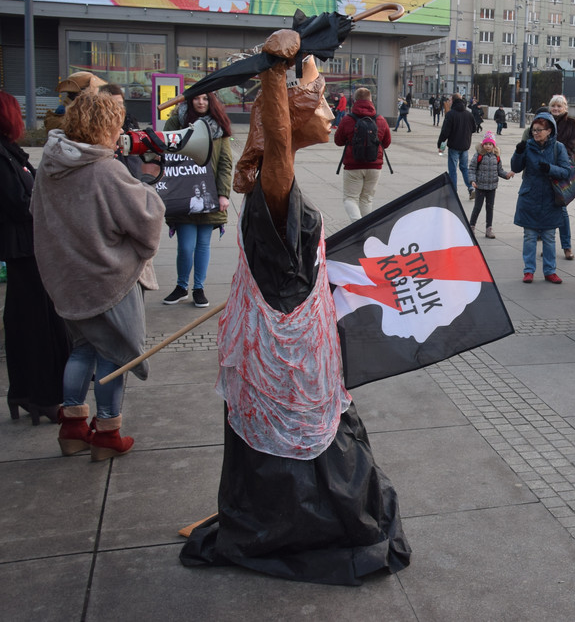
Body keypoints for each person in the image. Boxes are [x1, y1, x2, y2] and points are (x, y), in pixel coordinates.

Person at [179, 28, 410, 584]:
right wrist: (276, 76)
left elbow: (281, 141)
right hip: (289, 357)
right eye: (322, 104)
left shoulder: (269, 191)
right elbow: (277, 143)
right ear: (289, 117)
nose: (330, 112)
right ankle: (301, 527)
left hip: (290, 338)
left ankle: (265, 516)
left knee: (306, 436)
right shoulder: (273, 188)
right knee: (309, 442)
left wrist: (301, 72)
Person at [32, 90, 165, 459]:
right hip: (108, 280)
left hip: (67, 277)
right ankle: (107, 431)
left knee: (81, 350)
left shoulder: (51, 162)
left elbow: (37, 213)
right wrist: (150, 173)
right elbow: (146, 222)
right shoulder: (105, 169)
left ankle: (72, 426)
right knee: (114, 353)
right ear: (107, 125)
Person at [0, 91, 70, 425]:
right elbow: (18, 202)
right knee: (36, 324)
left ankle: (26, 393)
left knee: (29, 321)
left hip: (29, 247)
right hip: (24, 249)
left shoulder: (10, 154)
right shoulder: (3, 157)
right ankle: (39, 395)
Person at [161, 91, 233, 308]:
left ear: (211, 102)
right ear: (189, 101)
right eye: (196, 98)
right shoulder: (178, 125)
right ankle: (181, 286)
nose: (200, 102)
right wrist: (176, 113)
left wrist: (223, 194)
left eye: (205, 98)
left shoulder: (219, 128)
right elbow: (165, 147)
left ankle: (198, 288)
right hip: (183, 194)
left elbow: (225, 163)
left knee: (202, 245)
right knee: (185, 246)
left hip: (209, 194)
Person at [512, 112, 573, 283]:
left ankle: (550, 271)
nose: (535, 133)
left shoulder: (558, 147)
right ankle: (529, 270)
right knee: (530, 236)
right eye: (534, 130)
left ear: (549, 131)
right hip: (529, 197)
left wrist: (550, 169)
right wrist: (518, 152)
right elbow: (515, 167)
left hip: (550, 198)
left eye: (540, 130)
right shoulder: (528, 146)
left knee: (549, 236)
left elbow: (566, 171)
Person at [333, 87, 391, 221]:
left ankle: (358, 227)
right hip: (374, 166)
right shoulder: (380, 120)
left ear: (355, 100)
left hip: (353, 166)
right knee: (366, 199)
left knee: (350, 198)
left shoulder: (348, 119)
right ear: (370, 100)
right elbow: (386, 143)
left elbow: (338, 141)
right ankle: (365, 229)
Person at [547, 95, 575, 261]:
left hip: (561, 170)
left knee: (561, 208)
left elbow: (571, 148)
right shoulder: (545, 122)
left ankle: (566, 246)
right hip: (545, 171)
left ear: (565, 108)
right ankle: (548, 245)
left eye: (559, 106)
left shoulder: (572, 124)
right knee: (547, 208)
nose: (556, 109)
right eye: (554, 106)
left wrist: (555, 160)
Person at [468, 131, 511, 238]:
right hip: (480, 186)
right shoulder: (479, 155)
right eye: (486, 144)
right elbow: (472, 169)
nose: (488, 146)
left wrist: (506, 175)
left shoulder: (496, 156)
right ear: (483, 144)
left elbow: (499, 170)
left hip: (492, 187)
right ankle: (471, 227)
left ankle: (489, 229)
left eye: (490, 144)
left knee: (490, 208)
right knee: (477, 207)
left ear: (493, 145)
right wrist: (472, 180)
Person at [437, 94, 476, 197]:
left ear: (453, 101)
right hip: (465, 146)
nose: (448, 102)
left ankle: (453, 192)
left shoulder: (450, 114)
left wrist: (440, 144)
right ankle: (471, 188)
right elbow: (474, 129)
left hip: (454, 146)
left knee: (453, 169)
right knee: (464, 168)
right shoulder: (469, 114)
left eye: (450, 100)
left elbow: (445, 132)